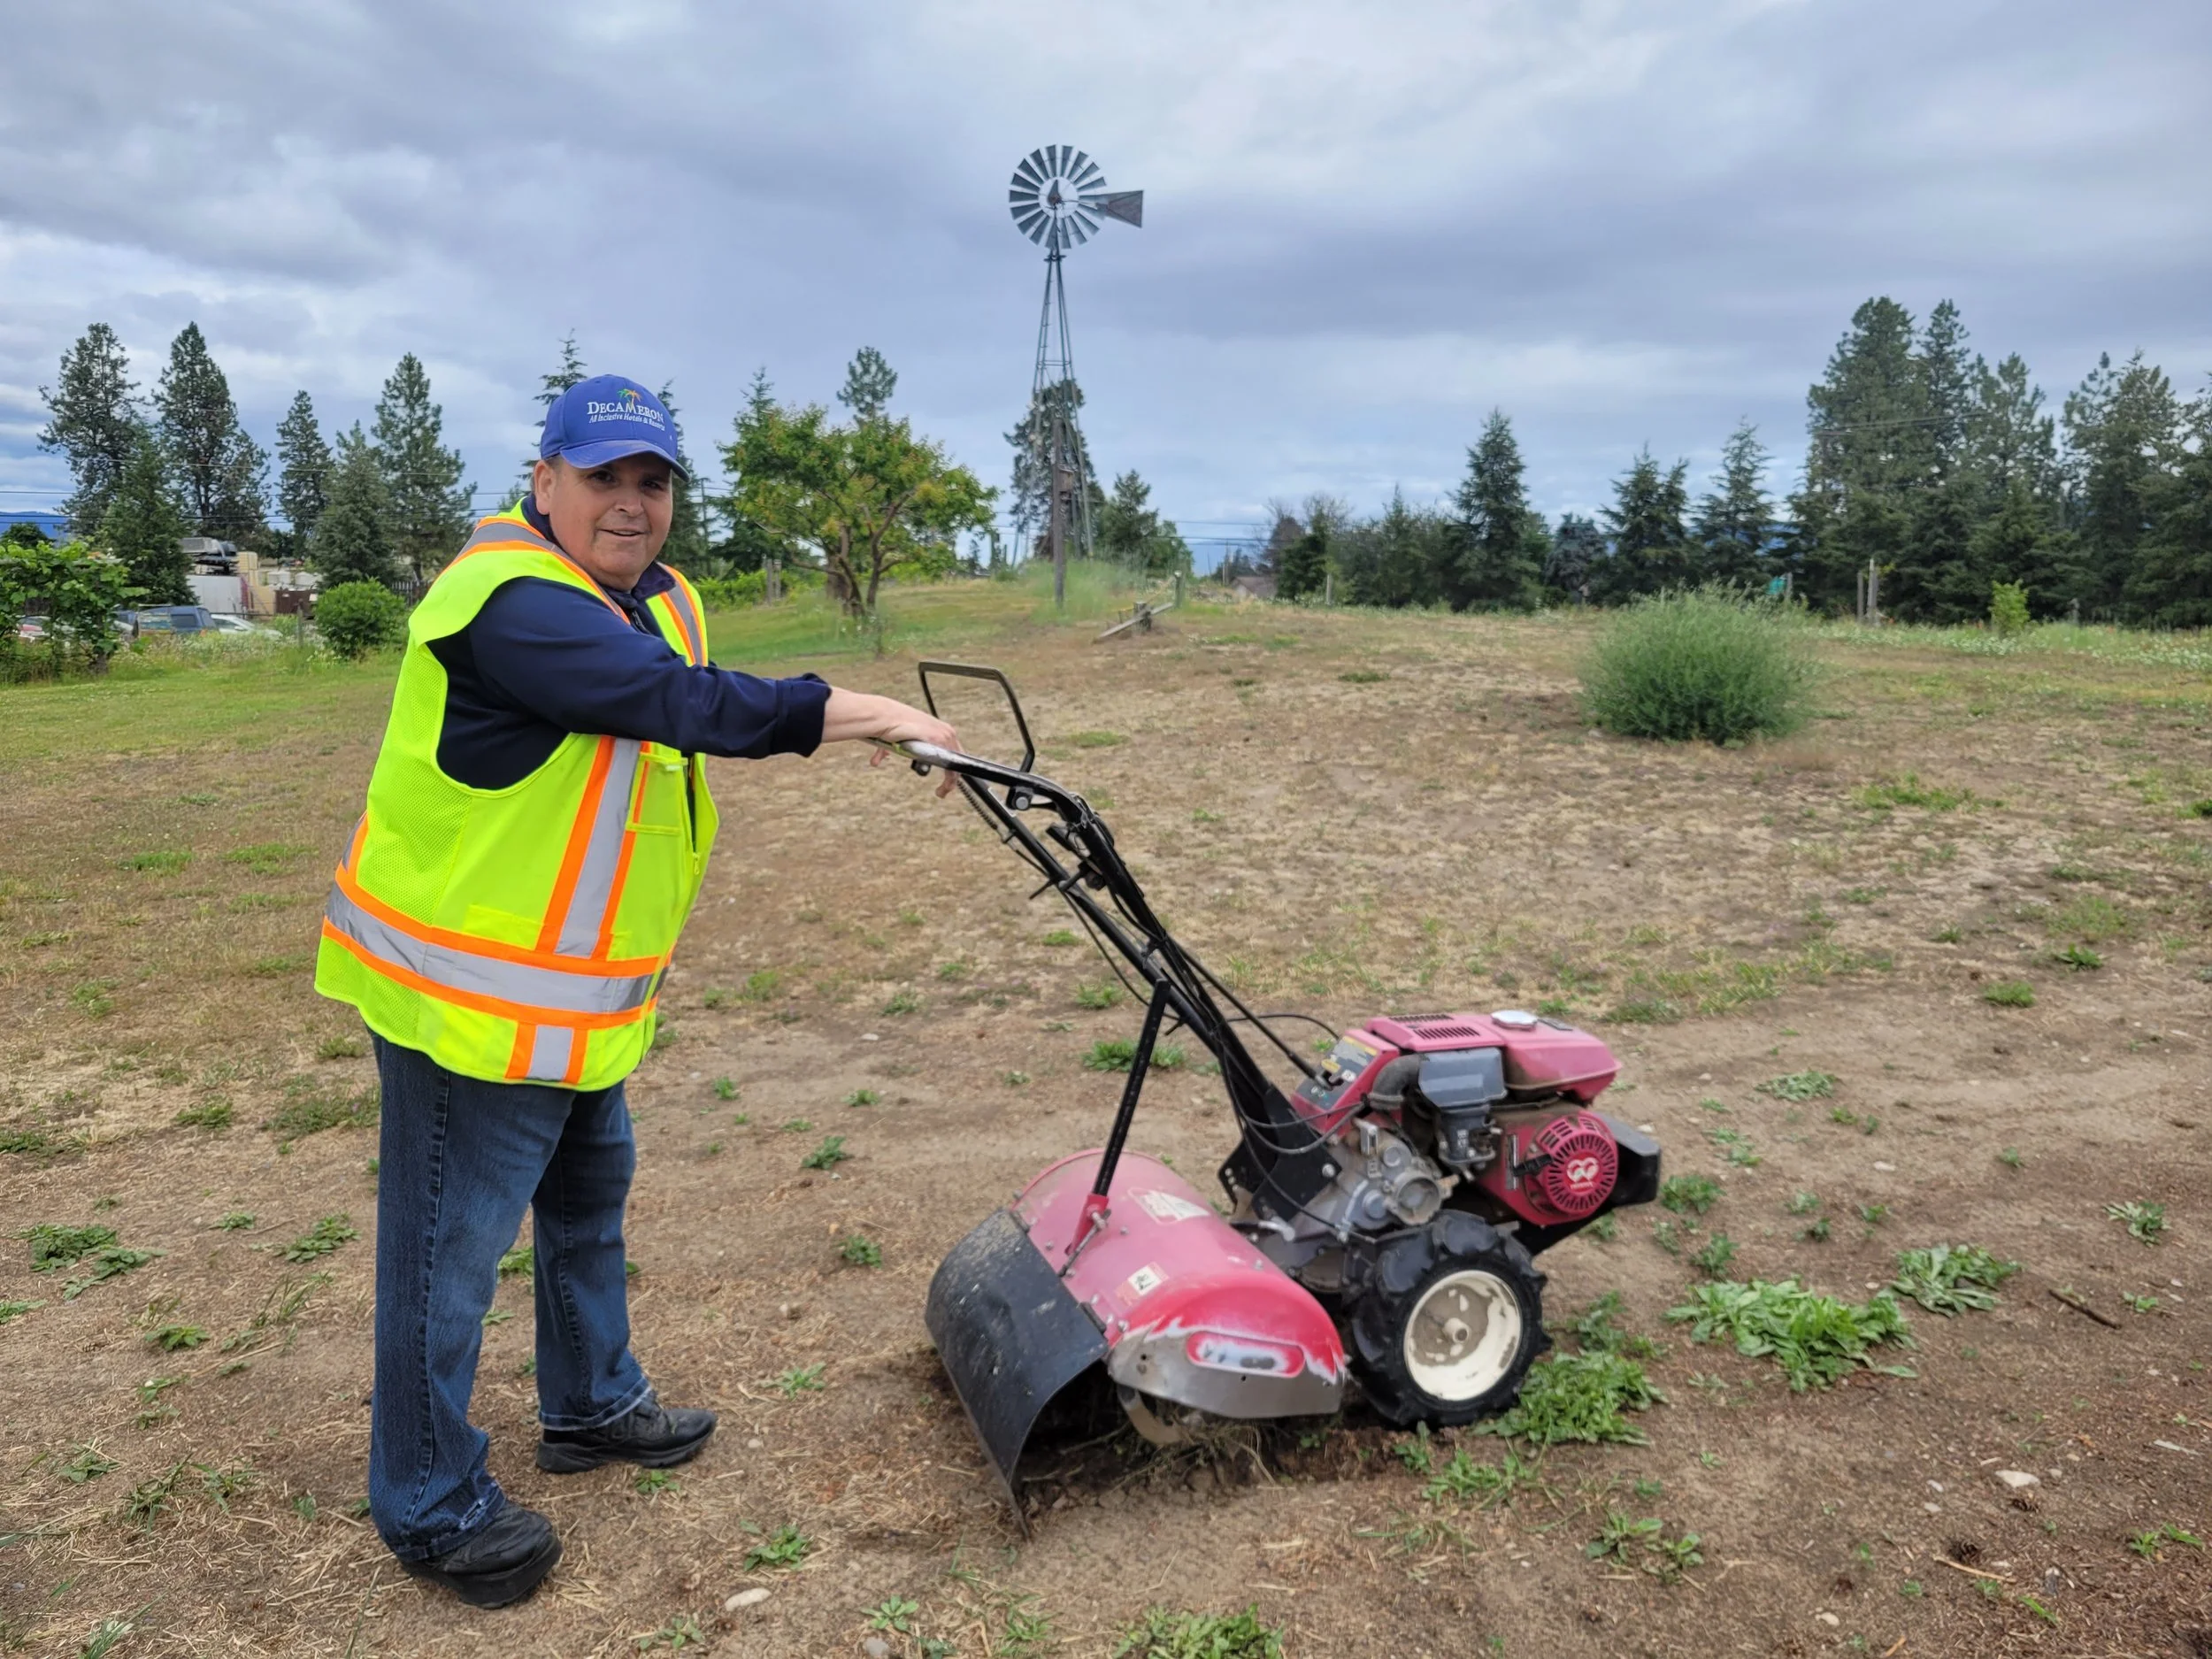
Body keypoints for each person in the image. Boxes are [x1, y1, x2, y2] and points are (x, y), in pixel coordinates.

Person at [313, 375, 957, 1608]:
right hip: (470, 1016)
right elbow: (683, 708)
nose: (629, 502)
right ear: (542, 479)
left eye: (651, 480)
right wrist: (865, 712)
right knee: (445, 1263)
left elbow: (660, 709)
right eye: (601, 475)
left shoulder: (647, 599)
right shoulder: (508, 602)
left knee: (588, 1205)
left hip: (573, 1008)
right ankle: (430, 1499)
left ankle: (591, 1404)